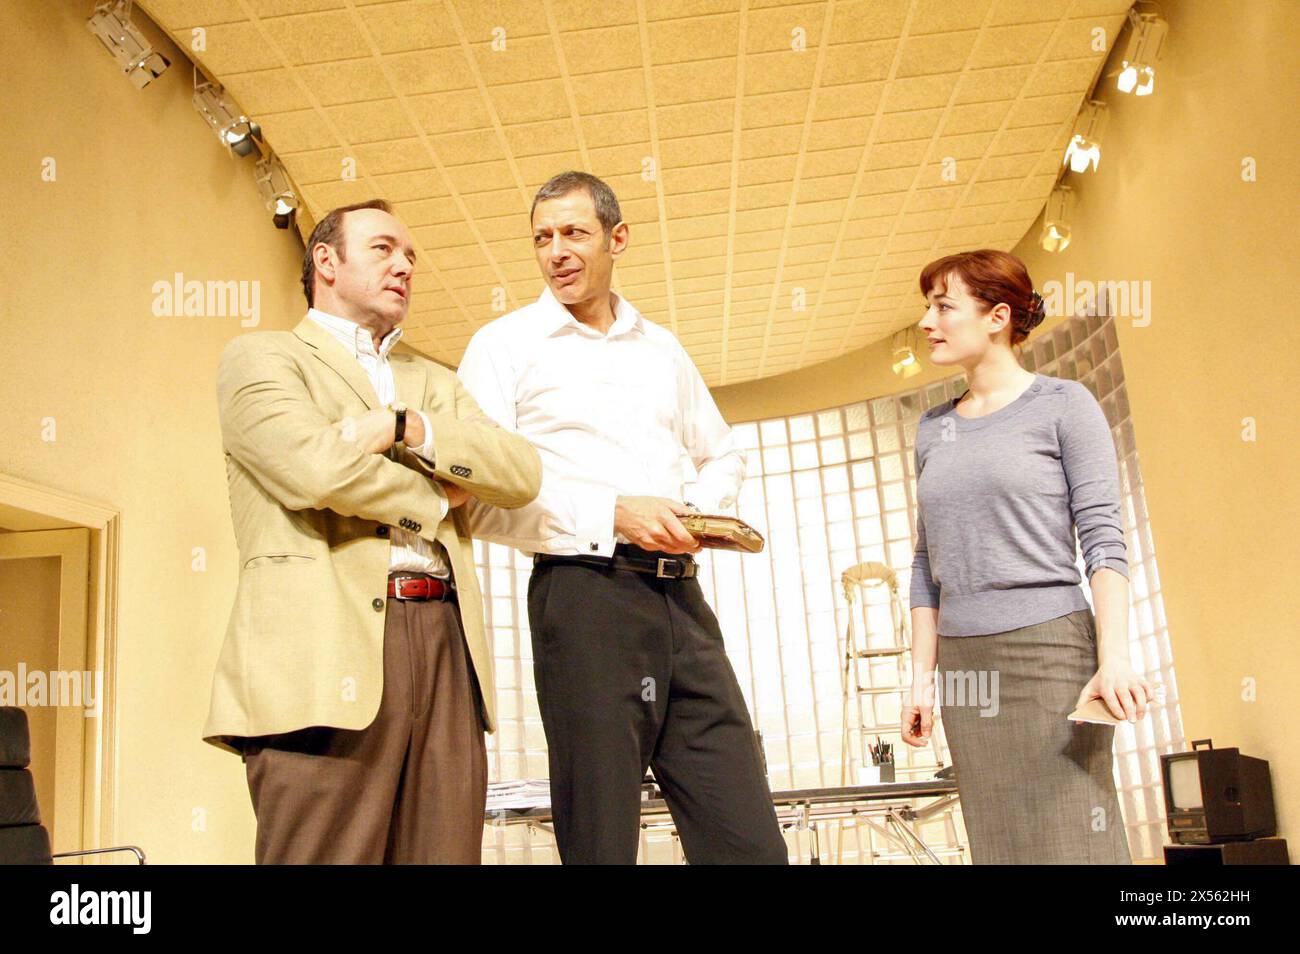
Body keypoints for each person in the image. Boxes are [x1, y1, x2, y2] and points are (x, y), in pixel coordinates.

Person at [457, 171, 787, 864]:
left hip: (682, 602)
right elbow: (480, 500)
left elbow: (722, 451)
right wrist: (611, 515)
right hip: (582, 599)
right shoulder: (502, 346)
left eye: (574, 233)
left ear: (618, 237)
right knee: (601, 839)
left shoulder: (660, 347)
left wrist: (703, 516)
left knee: (748, 840)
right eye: (542, 238)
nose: (557, 252)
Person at [203, 199, 542, 863]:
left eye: (411, 256)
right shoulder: (261, 358)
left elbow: (521, 471)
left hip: (447, 647)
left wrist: (405, 426)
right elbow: (313, 471)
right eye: (384, 248)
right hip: (320, 656)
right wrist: (437, 498)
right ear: (326, 261)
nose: (405, 266)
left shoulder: (432, 384)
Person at [900, 248, 1154, 864]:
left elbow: (1103, 538)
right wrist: (920, 678)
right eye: (927, 307)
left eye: (943, 306)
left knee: (1075, 835)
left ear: (997, 316)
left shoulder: (1065, 405)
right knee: (1001, 842)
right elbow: (924, 563)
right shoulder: (934, 428)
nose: (928, 322)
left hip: (1052, 652)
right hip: (964, 664)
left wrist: (1113, 656)